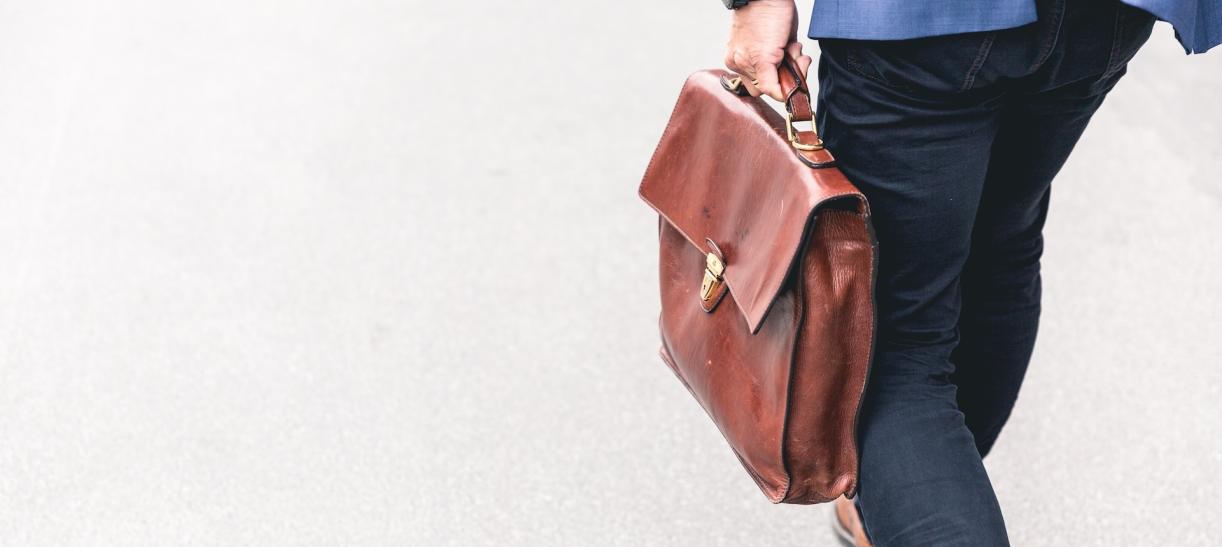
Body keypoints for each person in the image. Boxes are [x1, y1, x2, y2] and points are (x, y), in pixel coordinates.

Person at [721, 0, 1219, 545]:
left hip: (919, 24)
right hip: (1103, 19)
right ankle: (920, 488)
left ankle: (923, 492)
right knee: (1000, 247)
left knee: (891, 343)